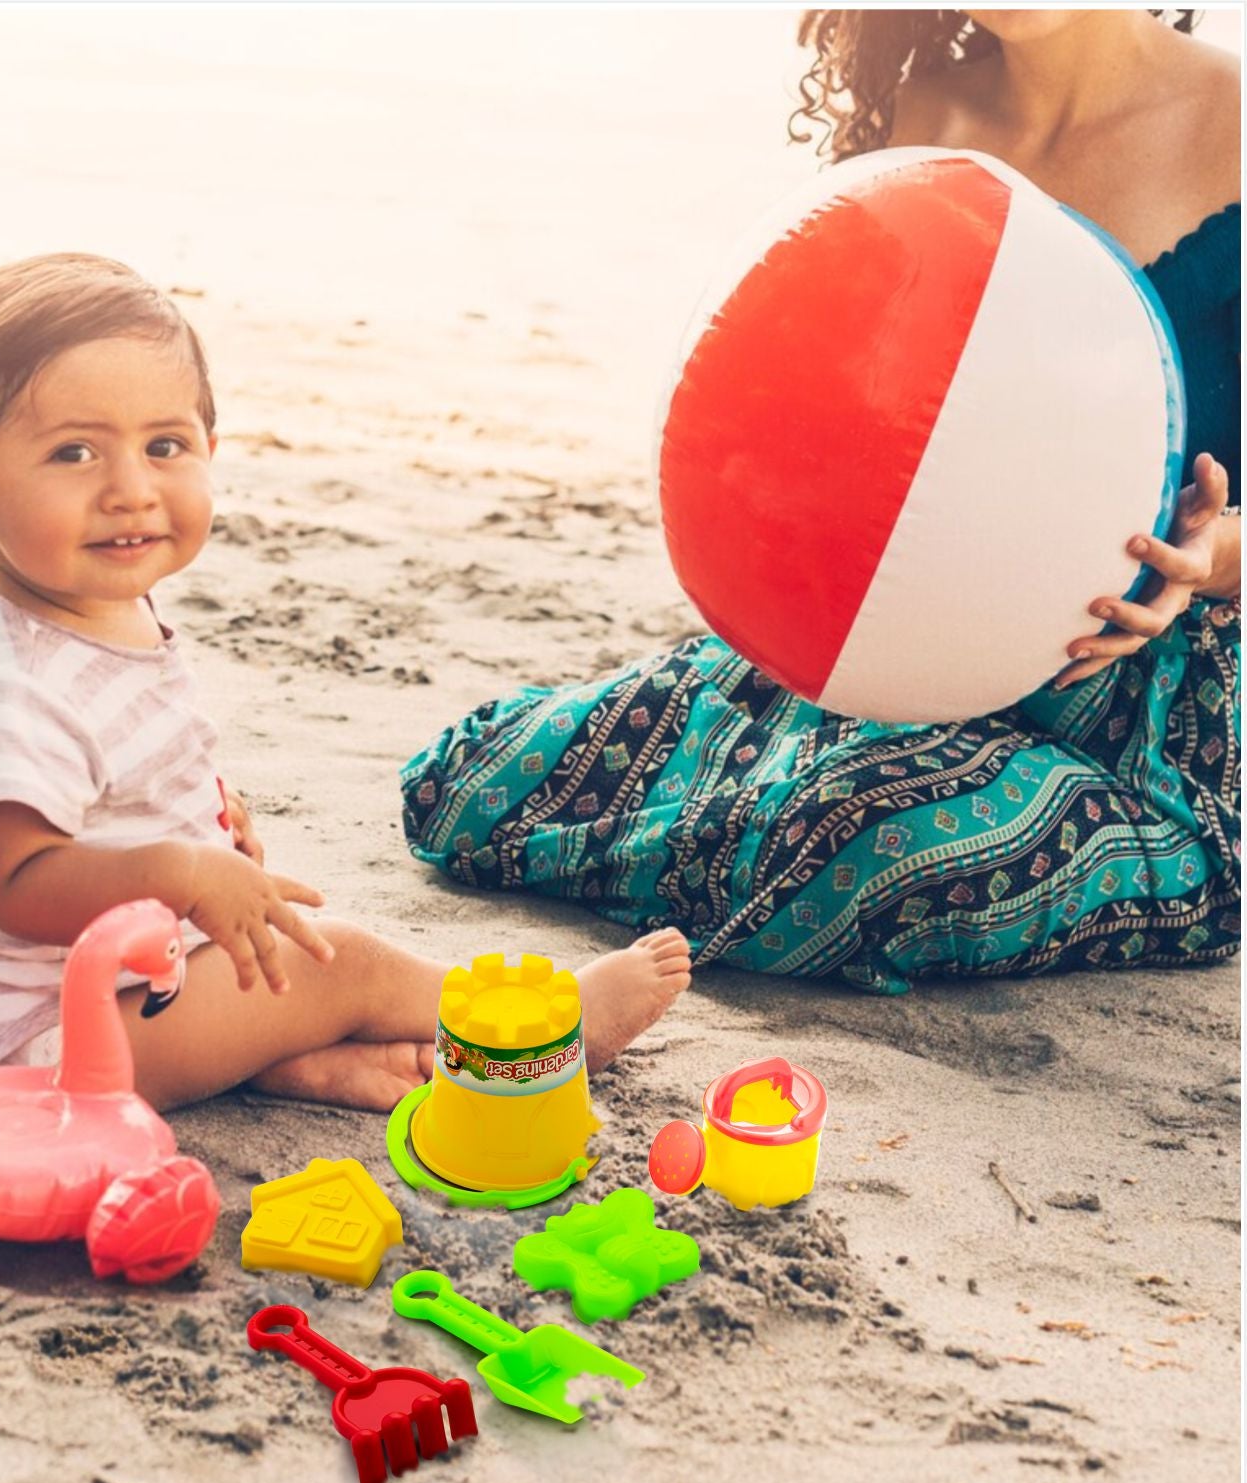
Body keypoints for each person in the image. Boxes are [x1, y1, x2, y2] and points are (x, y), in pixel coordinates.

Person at [401, 9, 1239, 995]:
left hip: (1144, 698)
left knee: (851, 849)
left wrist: (1212, 557)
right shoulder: (928, 105)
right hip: (892, 650)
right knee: (474, 785)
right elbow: (834, 403)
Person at [0, 253, 691, 1112]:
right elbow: (15, 881)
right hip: (63, 1037)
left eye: (163, 445)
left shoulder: (73, 589)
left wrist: (196, 813)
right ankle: (539, 1023)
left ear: (209, 448)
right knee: (337, 962)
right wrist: (180, 869)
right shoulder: (15, 685)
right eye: (73, 452)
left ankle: (292, 1066)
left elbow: (108, 770)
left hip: (137, 978)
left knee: (276, 971)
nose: (130, 491)